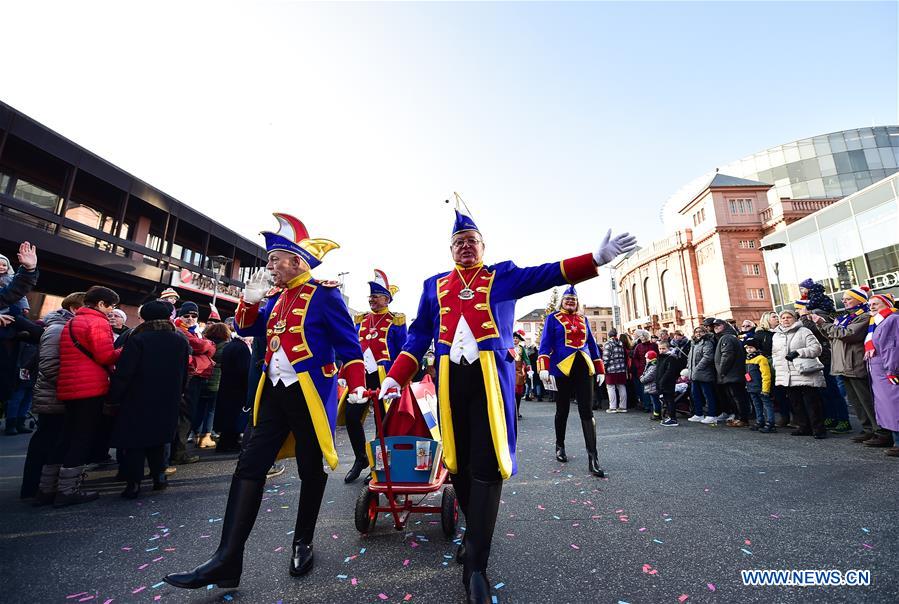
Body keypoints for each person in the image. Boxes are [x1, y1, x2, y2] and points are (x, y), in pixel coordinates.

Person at [377, 207, 636, 603]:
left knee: (487, 464)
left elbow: (546, 273)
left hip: (490, 381)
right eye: (458, 242)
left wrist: (595, 259)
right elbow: (417, 337)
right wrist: (396, 376)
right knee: (459, 464)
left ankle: (476, 564)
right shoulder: (434, 285)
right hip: (450, 381)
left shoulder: (502, 275)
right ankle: (474, 531)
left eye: (472, 241)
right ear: (450, 249)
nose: (465, 246)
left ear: (483, 246)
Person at [164, 213, 365, 589]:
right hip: (272, 392)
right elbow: (245, 327)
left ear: (297, 261)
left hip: (308, 393)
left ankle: (302, 541)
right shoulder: (274, 297)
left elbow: (349, 345)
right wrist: (250, 300)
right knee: (249, 467)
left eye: (275, 259)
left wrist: (356, 383)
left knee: (310, 466)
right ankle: (227, 559)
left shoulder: (324, 295)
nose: (269, 266)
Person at [107, 301, 190, 498]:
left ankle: (133, 484)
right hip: (168, 397)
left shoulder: (138, 338)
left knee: (135, 441)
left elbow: (125, 372)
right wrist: (179, 392)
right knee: (159, 439)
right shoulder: (179, 340)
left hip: (137, 396)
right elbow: (184, 372)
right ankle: (159, 477)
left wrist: (114, 397)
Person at [54, 285, 122, 506]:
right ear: (101, 303)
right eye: (111, 306)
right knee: (82, 438)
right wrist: (125, 349)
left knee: (66, 436)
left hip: (69, 385)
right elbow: (105, 356)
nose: (111, 311)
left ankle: (47, 487)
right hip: (90, 386)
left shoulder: (72, 322)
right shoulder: (97, 322)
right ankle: (67, 490)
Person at [341, 269, 407, 484]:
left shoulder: (396, 321)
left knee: (382, 422)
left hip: (384, 377)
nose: (372, 300)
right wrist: (344, 372)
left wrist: (400, 379)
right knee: (351, 416)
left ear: (386, 299)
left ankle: (378, 464)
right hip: (360, 377)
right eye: (370, 296)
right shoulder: (361, 319)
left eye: (376, 296)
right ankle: (361, 458)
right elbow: (352, 348)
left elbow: (403, 351)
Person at [20, 292, 85, 502]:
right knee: (47, 440)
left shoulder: (63, 326)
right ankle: (33, 487)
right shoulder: (58, 329)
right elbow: (49, 366)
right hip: (53, 395)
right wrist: (72, 385)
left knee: (53, 439)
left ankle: (42, 487)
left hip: (57, 394)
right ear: (75, 309)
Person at [536, 285, 605, 475]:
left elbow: (591, 343)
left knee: (587, 411)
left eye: (573, 300)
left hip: (583, 366)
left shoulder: (584, 319)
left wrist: (599, 368)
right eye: (567, 299)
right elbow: (545, 343)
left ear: (577, 302)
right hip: (561, 368)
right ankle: (560, 445)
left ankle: (593, 458)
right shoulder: (552, 318)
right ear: (562, 301)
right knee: (562, 409)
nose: (570, 302)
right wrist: (543, 366)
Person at [810, 285, 888, 444]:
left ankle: (880, 431)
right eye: (844, 299)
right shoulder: (846, 317)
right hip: (844, 364)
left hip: (855, 363)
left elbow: (847, 334)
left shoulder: (864, 316)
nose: (844, 301)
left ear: (859, 300)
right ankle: (868, 429)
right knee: (856, 401)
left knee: (866, 400)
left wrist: (824, 324)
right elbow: (832, 336)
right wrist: (821, 325)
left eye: (848, 299)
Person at [772, 309, 826, 438]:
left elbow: (817, 349)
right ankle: (804, 427)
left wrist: (798, 352)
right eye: (783, 318)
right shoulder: (776, 335)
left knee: (812, 403)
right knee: (796, 403)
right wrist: (776, 367)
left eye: (788, 317)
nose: (785, 319)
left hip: (805, 372)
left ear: (795, 319)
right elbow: (775, 354)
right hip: (787, 374)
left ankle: (818, 429)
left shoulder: (804, 331)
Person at [171, 301, 214, 462]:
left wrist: (206, 346)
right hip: (189, 377)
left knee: (188, 415)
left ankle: (178, 451)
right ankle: (178, 453)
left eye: (194, 316)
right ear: (180, 316)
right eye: (186, 315)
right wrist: (207, 346)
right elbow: (200, 347)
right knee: (184, 415)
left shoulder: (195, 331)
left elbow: (209, 347)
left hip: (196, 376)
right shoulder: (179, 330)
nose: (190, 318)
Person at [862, 293, 899, 456]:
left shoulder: (891, 320)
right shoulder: (877, 321)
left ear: (887, 304)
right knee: (887, 407)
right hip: (879, 372)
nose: (872, 307)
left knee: (894, 407)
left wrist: (892, 370)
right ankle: (893, 439)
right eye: (870, 304)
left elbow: (892, 348)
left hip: (887, 371)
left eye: (876, 304)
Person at [214, 326, 252, 453]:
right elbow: (244, 370)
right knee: (234, 416)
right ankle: (229, 443)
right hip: (238, 388)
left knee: (227, 416)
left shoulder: (230, 345)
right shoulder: (242, 348)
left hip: (227, 384)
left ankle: (225, 442)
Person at [193, 321, 231, 449]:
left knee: (199, 407)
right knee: (211, 410)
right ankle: (206, 436)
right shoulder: (226, 347)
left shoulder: (204, 344)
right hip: (216, 381)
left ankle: (196, 435)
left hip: (201, 378)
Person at [711, 318, 751, 427]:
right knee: (736, 397)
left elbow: (727, 355)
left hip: (731, 374)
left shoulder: (726, 338)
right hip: (732, 373)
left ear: (725, 326)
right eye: (714, 326)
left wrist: (721, 371)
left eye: (718, 325)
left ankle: (742, 419)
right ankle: (739, 417)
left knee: (737, 397)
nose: (716, 327)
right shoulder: (728, 336)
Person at [686, 325, 718, 424]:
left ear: (705, 332)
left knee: (708, 395)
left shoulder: (707, 342)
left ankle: (711, 415)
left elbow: (708, 357)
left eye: (701, 331)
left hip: (704, 373)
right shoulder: (694, 343)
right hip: (694, 374)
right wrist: (689, 367)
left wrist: (697, 368)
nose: (698, 333)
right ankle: (698, 414)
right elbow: (690, 358)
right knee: (695, 395)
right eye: (696, 332)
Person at [744, 338, 775, 432]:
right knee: (756, 404)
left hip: (761, 387)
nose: (748, 350)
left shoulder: (761, 359)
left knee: (767, 405)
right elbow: (747, 374)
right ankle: (760, 421)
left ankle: (770, 423)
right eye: (747, 348)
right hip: (751, 386)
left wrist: (765, 388)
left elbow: (766, 375)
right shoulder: (748, 359)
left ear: (756, 348)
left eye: (751, 347)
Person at [656, 339, 686, 426]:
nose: (661, 350)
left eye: (663, 348)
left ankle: (673, 418)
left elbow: (669, 372)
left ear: (668, 348)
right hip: (662, 382)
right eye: (660, 348)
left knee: (670, 401)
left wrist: (662, 381)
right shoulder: (661, 357)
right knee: (666, 401)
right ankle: (670, 417)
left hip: (668, 383)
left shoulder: (671, 358)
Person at [630, 329, 658, 412]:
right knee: (644, 388)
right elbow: (635, 358)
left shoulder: (654, 345)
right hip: (642, 369)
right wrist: (639, 366)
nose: (643, 338)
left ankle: (654, 406)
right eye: (642, 337)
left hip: (653, 368)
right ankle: (647, 405)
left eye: (644, 336)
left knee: (653, 387)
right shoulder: (639, 346)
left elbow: (658, 355)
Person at [603, 328, 629, 412]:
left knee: (610, 387)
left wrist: (604, 368)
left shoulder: (608, 344)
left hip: (611, 369)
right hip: (621, 368)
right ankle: (623, 407)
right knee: (621, 386)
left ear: (609, 335)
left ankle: (612, 407)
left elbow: (606, 358)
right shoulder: (621, 344)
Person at [512, 330, 530, 420]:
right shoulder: (508, 347)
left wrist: (529, 368)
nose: (515, 339)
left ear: (519, 340)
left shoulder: (521, 348)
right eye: (514, 338)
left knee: (518, 393)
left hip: (518, 372)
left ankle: (517, 411)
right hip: (509, 371)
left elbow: (526, 358)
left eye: (516, 338)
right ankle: (510, 412)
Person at [639, 350, 660, 420]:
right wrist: (642, 377)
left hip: (653, 387)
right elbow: (645, 373)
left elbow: (649, 376)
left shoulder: (653, 366)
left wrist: (642, 379)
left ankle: (657, 415)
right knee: (654, 401)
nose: (646, 359)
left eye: (646, 358)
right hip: (652, 387)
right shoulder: (650, 365)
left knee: (655, 401)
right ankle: (656, 414)